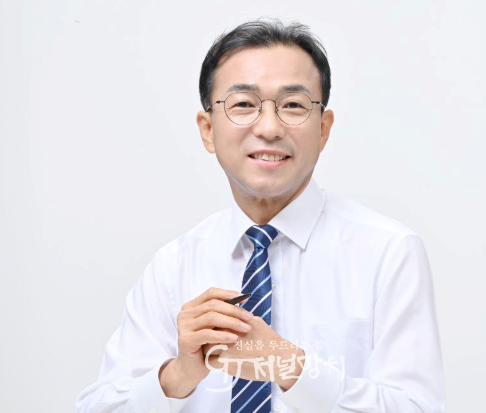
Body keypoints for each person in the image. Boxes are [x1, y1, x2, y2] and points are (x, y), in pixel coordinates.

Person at [74, 18, 446, 413]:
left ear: (323, 129)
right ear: (207, 129)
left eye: (293, 106)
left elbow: (418, 408)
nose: (269, 128)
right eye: (244, 105)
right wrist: (176, 376)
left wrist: (287, 366)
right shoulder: (173, 267)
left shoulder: (388, 253)